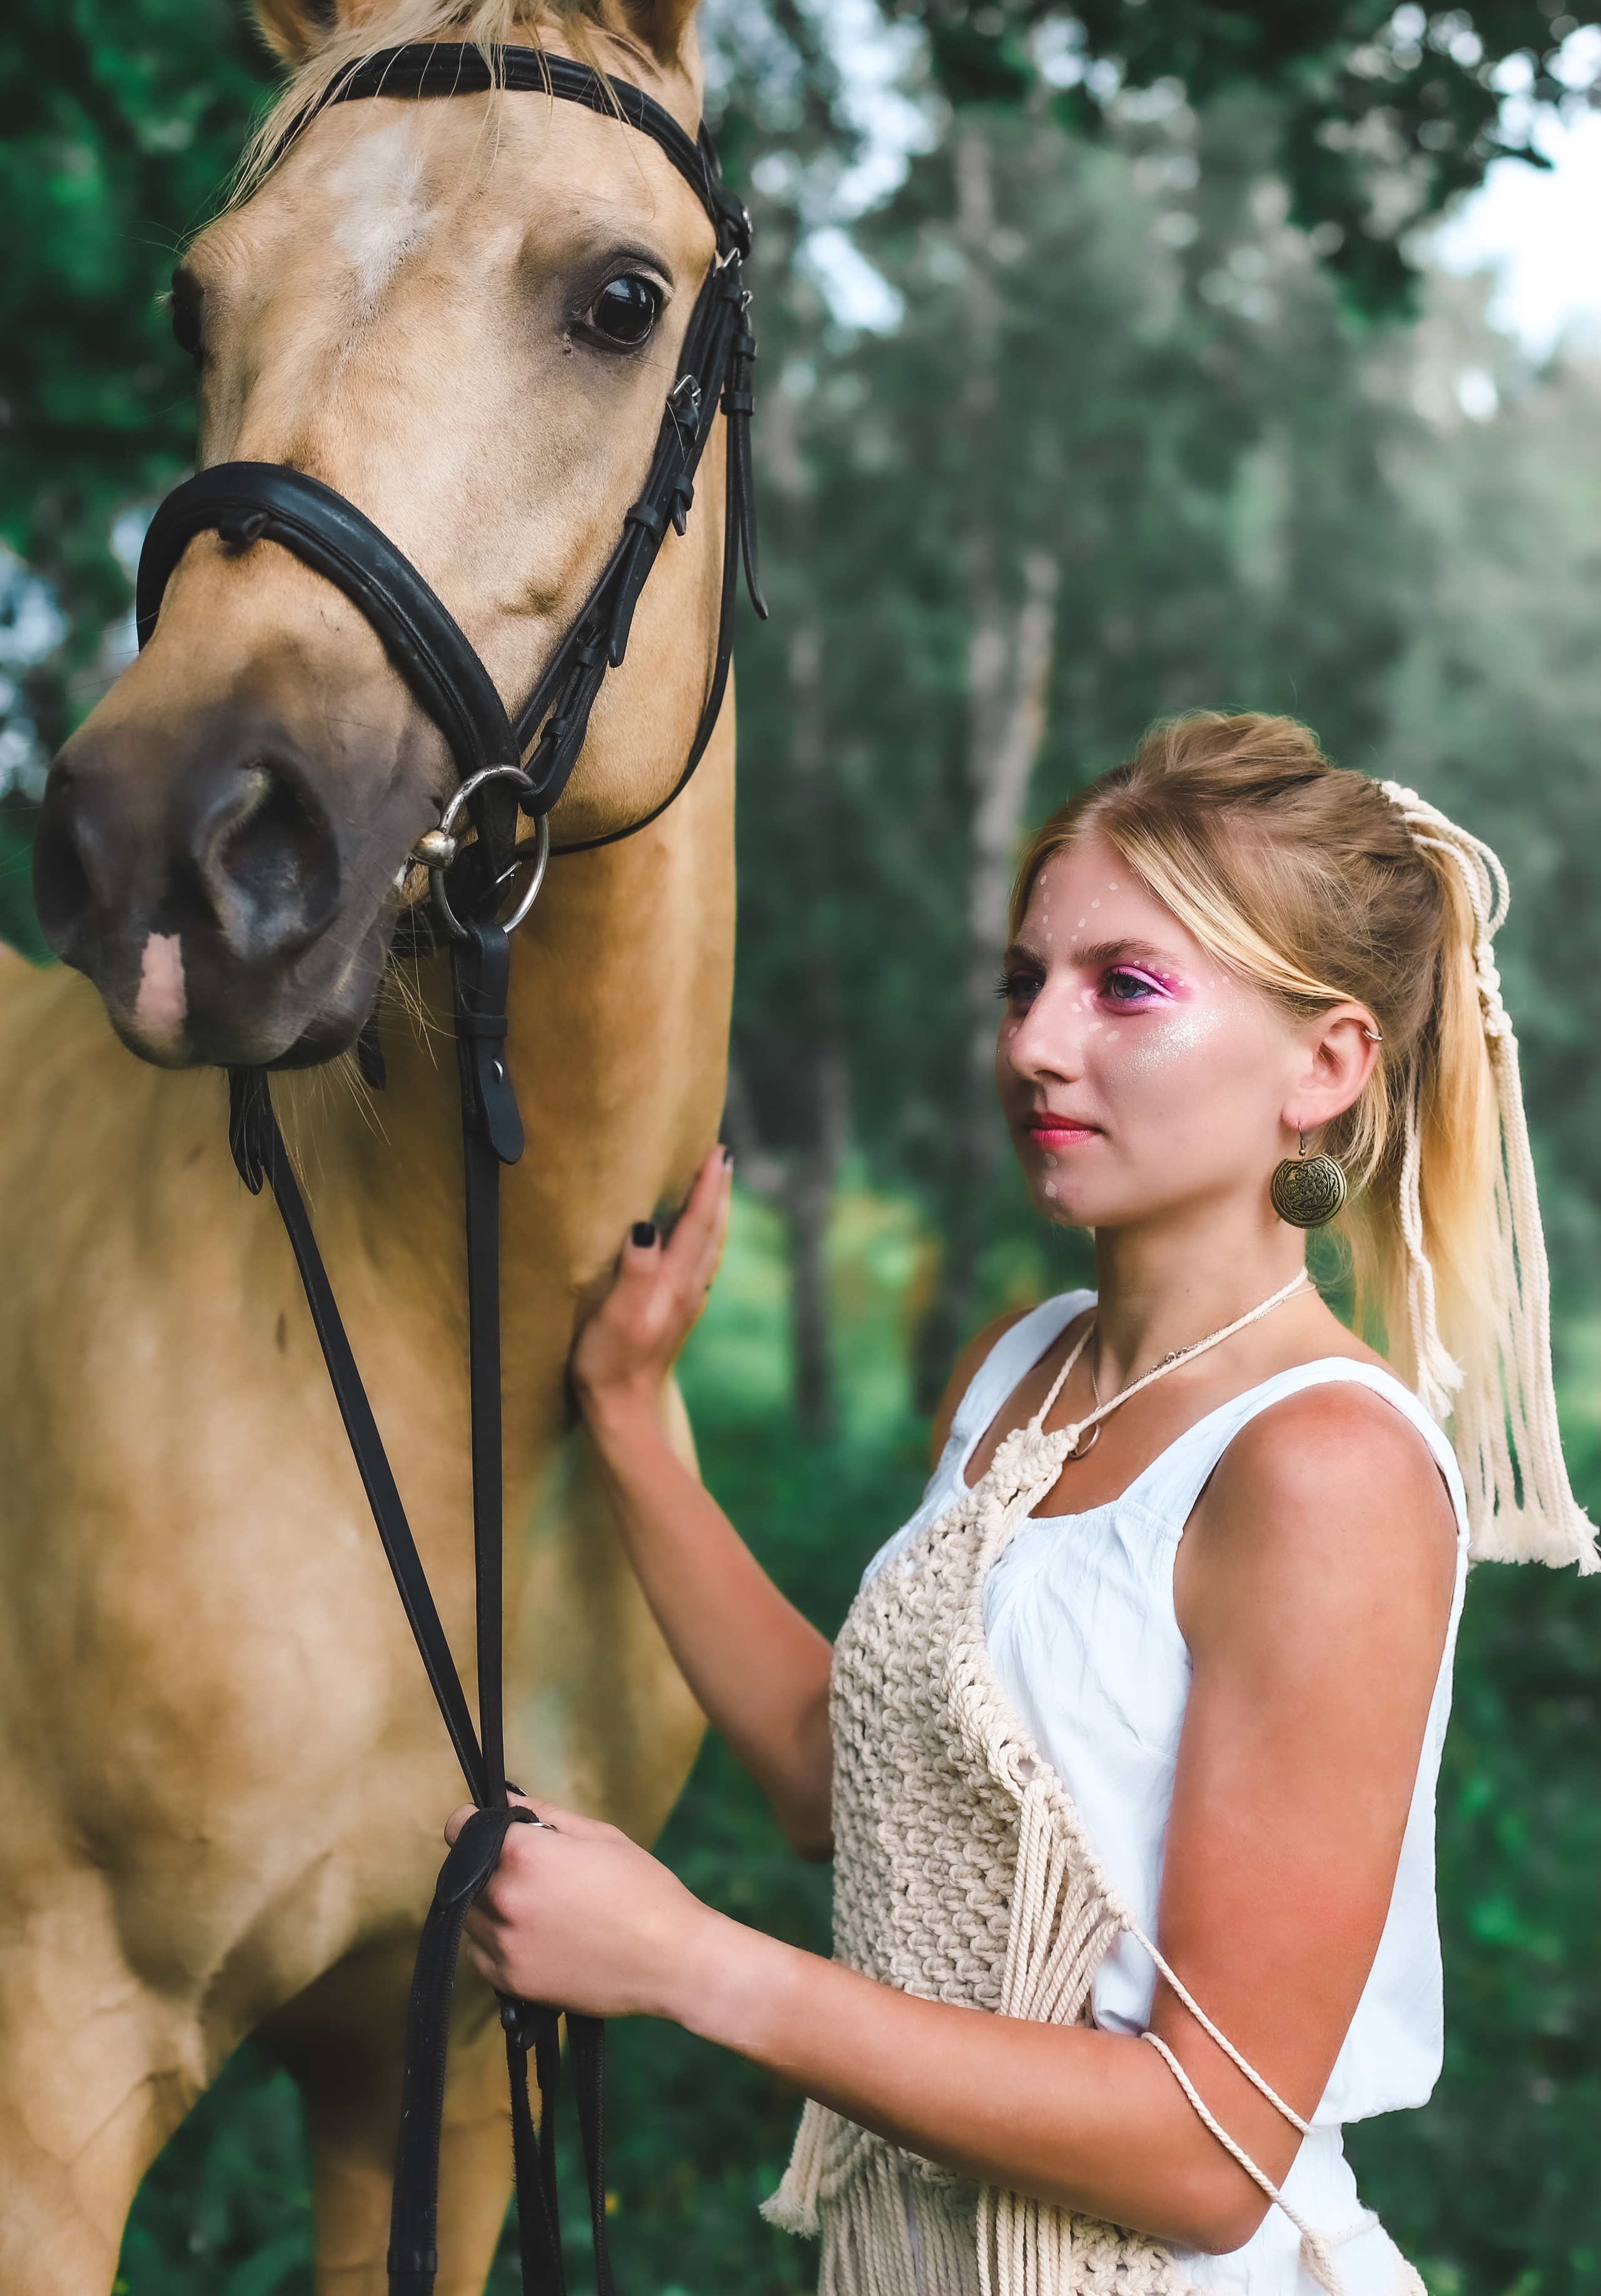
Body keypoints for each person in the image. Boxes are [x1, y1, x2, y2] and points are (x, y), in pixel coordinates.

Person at [449, 713, 1595, 2296]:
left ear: (1322, 1066)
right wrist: (633, 1423)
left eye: (1124, 987)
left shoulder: (1318, 1469)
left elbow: (1209, 2155)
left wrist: (687, 1965)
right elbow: (839, 1781)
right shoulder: (1022, 1368)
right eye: (1022, 982)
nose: (1033, 1044)